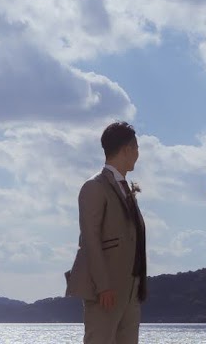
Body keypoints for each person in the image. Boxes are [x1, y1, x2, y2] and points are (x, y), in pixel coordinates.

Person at [66, 121, 147, 344]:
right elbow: (90, 239)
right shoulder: (95, 186)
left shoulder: (125, 189)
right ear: (127, 149)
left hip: (130, 293)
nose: (138, 154)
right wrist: (104, 286)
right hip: (106, 292)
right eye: (137, 148)